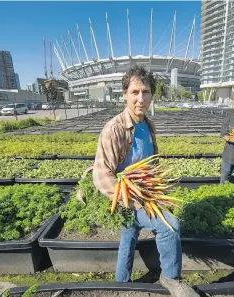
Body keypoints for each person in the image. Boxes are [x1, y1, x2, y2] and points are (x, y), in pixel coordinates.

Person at [93, 65, 199, 297]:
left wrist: (157, 187)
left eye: (146, 92)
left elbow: (152, 161)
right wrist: (130, 201)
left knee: (128, 239)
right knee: (170, 227)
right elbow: (101, 174)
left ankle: (121, 285)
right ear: (124, 94)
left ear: (152, 95)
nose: (140, 99)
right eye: (135, 92)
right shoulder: (114, 129)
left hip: (147, 193)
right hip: (126, 198)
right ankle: (170, 277)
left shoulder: (147, 125)